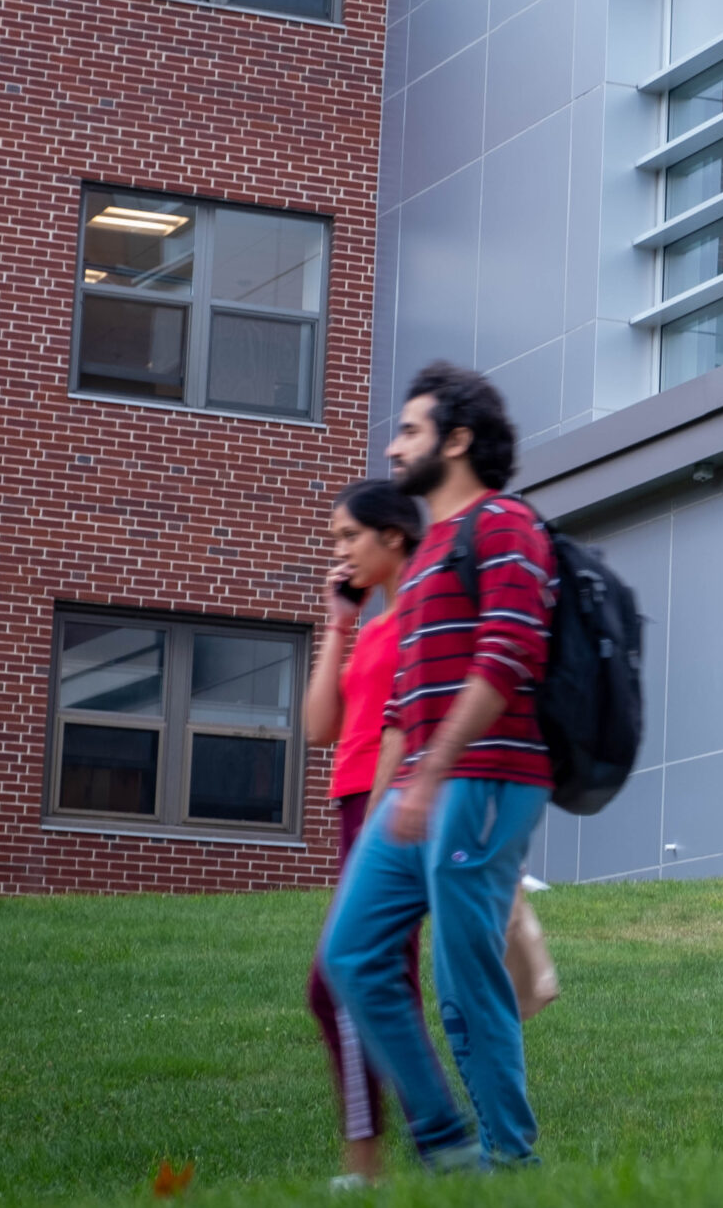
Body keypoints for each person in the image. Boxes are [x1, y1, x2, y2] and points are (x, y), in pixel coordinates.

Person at [318, 362, 558, 1173]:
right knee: (350, 953)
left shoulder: (505, 525)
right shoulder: (422, 563)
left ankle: (509, 1158)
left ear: (456, 440)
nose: (393, 446)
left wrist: (431, 777)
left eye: (410, 429)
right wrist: (393, 799)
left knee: (463, 977)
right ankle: (445, 1142)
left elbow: (510, 653)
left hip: (487, 780)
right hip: (421, 789)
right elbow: (399, 710)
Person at [301, 478, 424, 1188]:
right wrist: (337, 624)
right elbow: (322, 727)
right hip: (355, 809)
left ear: (394, 536)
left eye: (349, 536)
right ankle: (428, 1144)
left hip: (386, 812)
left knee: (344, 980)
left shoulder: (421, 620)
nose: (340, 552)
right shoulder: (374, 628)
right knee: (371, 981)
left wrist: (380, 826)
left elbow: (402, 734)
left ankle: (374, 1161)